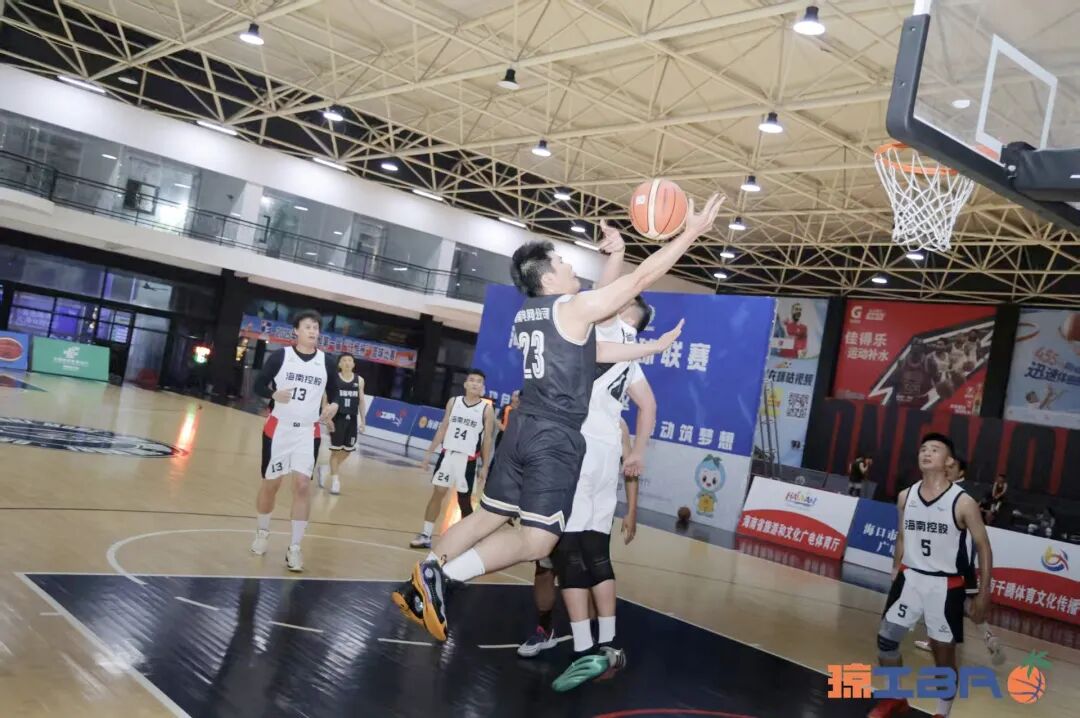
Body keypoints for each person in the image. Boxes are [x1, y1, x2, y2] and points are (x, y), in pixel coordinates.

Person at [391, 193, 724, 642]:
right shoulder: (573, 308)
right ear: (548, 276)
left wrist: (649, 342)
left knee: (486, 517)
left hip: (521, 427)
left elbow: (595, 346)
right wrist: (691, 232)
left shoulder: (532, 313)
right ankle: (444, 579)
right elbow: (640, 280)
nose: (571, 267)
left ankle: (420, 579)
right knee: (539, 541)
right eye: (564, 262)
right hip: (555, 437)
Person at [516, 284, 653, 665]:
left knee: (565, 556)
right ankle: (607, 642)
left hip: (576, 449)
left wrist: (618, 257)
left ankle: (581, 647)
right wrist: (638, 452)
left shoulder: (606, 332)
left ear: (625, 314)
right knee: (596, 554)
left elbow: (609, 290)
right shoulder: (632, 358)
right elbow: (649, 406)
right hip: (604, 452)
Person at [869, 433, 993, 718]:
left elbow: (983, 546)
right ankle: (895, 698)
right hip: (910, 578)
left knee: (943, 656)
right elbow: (902, 535)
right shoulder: (906, 496)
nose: (926, 453)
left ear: (949, 461)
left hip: (945, 585)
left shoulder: (963, 502)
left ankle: (942, 712)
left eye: (935, 449)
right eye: (923, 448)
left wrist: (984, 593)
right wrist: (895, 566)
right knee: (886, 640)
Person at [250, 310, 340, 572]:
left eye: (316, 327)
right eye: (308, 327)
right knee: (271, 485)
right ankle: (262, 532)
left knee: (302, 486)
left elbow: (334, 392)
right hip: (279, 429)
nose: (313, 331)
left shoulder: (326, 362)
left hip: (308, 431)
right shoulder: (281, 356)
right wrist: (273, 393)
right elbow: (258, 385)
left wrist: (334, 405)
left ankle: (295, 548)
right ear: (296, 331)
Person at [914, 458, 1002, 665]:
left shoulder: (958, 495)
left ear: (961, 472)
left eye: (951, 467)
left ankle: (936, 641)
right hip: (961, 562)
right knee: (967, 603)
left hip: (952, 562)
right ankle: (989, 637)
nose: (946, 469)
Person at [408, 369, 497, 549]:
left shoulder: (486, 409)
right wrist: (429, 453)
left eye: (479, 381)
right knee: (438, 493)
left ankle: (469, 540)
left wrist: (485, 466)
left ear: (483, 387)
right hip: (447, 456)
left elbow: (487, 439)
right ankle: (426, 535)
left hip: (468, 460)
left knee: (464, 501)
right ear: (465, 384)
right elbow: (443, 428)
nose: (475, 383)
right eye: (472, 380)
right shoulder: (453, 402)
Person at [317, 352, 365, 495]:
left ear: (354, 364)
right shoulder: (334, 379)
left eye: (350, 360)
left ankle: (326, 468)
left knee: (347, 451)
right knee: (336, 451)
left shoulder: (359, 380)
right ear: (339, 364)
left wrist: (363, 421)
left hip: (352, 418)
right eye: (344, 360)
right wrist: (328, 419)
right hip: (337, 418)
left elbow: (362, 401)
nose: (347, 362)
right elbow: (325, 400)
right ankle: (335, 482)